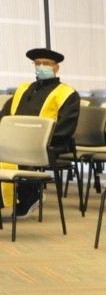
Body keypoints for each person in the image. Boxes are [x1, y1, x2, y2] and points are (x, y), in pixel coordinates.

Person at [0, 47, 80, 218]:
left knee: (17, 155)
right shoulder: (22, 89)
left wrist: (37, 141)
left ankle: (30, 196)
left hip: (49, 143)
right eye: (38, 63)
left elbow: (66, 127)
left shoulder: (67, 94)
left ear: (56, 67)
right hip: (15, 143)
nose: (41, 66)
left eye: (47, 63)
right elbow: (4, 116)